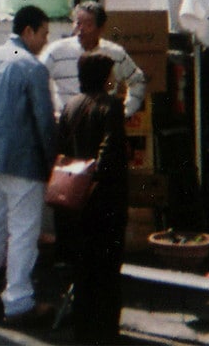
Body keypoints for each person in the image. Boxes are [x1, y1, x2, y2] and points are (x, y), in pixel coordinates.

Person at [0, 4, 55, 326]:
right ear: (29, 31)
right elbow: (44, 123)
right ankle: (18, 302)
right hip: (24, 163)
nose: (46, 40)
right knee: (22, 234)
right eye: (44, 33)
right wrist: (51, 163)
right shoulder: (32, 68)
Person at [56, 53, 128, 345]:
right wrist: (96, 176)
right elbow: (110, 150)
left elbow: (60, 147)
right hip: (105, 198)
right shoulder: (110, 106)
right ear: (103, 75)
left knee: (83, 265)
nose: (113, 78)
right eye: (110, 73)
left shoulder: (71, 105)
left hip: (76, 198)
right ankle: (107, 329)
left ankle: (82, 326)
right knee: (108, 266)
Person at [42, 1, 147, 120]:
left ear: (101, 28)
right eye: (77, 23)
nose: (80, 29)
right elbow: (37, 81)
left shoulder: (115, 54)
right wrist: (49, 114)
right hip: (66, 124)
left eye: (88, 25)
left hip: (102, 124)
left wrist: (127, 110)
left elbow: (137, 80)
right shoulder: (56, 51)